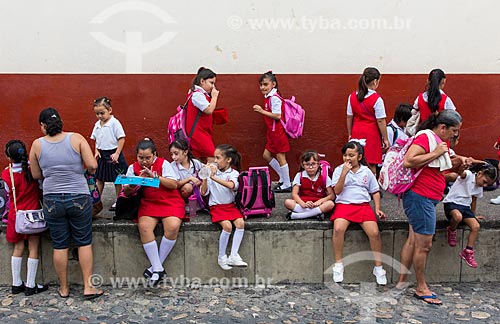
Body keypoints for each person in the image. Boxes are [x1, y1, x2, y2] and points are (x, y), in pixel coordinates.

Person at [29, 108, 102, 299]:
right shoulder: (76, 138)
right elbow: (93, 166)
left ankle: (63, 288)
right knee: (84, 242)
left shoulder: (37, 145)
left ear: (42, 126)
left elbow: (36, 175)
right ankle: (88, 286)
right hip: (78, 196)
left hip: (52, 198)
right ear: (60, 122)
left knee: (59, 244)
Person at [396, 110, 465, 305]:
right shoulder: (426, 137)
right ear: (442, 127)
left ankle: (402, 283)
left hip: (426, 197)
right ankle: (421, 287)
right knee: (424, 245)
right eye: (454, 130)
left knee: (413, 240)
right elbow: (409, 161)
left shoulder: (439, 141)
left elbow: (442, 169)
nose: (455, 134)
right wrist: (436, 153)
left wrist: (460, 164)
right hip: (420, 198)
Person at [123, 138, 186, 286]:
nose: (144, 161)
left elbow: (173, 184)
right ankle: (158, 268)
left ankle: (155, 268)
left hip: (169, 200)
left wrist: (155, 177)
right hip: (149, 202)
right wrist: (133, 183)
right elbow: (126, 192)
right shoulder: (133, 168)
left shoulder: (163, 164)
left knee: (172, 226)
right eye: (141, 158)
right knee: (144, 227)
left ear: (154, 155)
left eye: (148, 158)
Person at [330, 141, 387, 285]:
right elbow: (337, 191)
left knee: (374, 232)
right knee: (338, 228)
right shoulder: (339, 170)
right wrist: (344, 173)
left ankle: (378, 267)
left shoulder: (366, 171)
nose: (347, 158)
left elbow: (375, 191)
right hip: (344, 204)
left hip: (362, 205)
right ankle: (338, 264)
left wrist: (377, 208)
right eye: (345, 155)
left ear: (359, 156)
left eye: (351, 155)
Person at [2, 140, 48, 296]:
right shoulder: (32, 170)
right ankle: (30, 285)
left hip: (16, 216)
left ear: (9, 157)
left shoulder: (6, 174)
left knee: (18, 248)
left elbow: (8, 191)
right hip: (33, 215)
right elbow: (41, 186)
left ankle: (16, 284)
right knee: (33, 249)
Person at [200, 144, 248, 270]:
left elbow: (232, 186)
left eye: (218, 158)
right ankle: (221, 257)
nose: (215, 161)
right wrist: (206, 177)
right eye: (214, 158)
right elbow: (203, 192)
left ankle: (233, 255)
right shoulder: (212, 172)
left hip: (230, 206)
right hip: (216, 206)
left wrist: (213, 177)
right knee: (227, 226)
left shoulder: (234, 173)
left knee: (240, 223)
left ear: (228, 160)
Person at [443, 163, 497, 268]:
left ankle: (468, 251)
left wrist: (473, 215)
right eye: (485, 182)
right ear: (480, 173)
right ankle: (452, 229)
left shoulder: (479, 186)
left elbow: (473, 201)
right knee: (457, 217)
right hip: (452, 204)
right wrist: (461, 169)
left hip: (465, 208)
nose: (484, 185)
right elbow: (461, 174)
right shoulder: (468, 175)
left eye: (488, 185)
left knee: (476, 226)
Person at [253, 71, 292, 192]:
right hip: (272, 132)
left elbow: (277, 116)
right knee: (266, 155)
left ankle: (287, 184)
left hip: (277, 131)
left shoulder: (274, 98)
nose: (263, 87)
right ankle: (283, 178)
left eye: (265, 84)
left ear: (273, 84)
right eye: (261, 85)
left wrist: (261, 111)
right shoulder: (269, 97)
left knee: (281, 157)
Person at [346, 67, 390, 175]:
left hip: (356, 132)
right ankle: (371, 190)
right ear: (375, 81)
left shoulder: (352, 97)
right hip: (371, 135)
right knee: (371, 164)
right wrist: (385, 139)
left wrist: (350, 133)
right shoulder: (377, 99)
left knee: (355, 163)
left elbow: (349, 116)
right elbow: (381, 121)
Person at [90, 96, 128, 211]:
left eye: (102, 113)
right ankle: (96, 200)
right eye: (97, 114)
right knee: (100, 179)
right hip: (102, 155)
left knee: (117, 179)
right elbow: (96, 139)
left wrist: (117, 153)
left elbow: (121, 138)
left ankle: (118, 199)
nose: (100, 116)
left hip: (113, 155)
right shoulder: (97, 124)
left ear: (110, 110)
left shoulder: (114, 123)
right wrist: (96, 151)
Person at [284, 150, 335, 220]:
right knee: (288, 202)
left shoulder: (324, 176)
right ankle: (315, 214)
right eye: (307, 164)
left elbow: (332, 195)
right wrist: (303, 204)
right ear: (302, 165)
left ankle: (296, 216)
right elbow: (294, 194)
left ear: (318, 164)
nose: (311, 167)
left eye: (313, 164)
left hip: (318, 203)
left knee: (330, 204)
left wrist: (320, 201)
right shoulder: (299, 175)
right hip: (304, 202)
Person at [186, 67, 219, 162]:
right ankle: (209, 177)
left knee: (200, 158)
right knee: (211, 156)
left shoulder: (199, 93)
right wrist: (215, 97)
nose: (213, 86)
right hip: (197, 132)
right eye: (211, 83)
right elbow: (208, 110)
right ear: (202, 81)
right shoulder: (197, 95)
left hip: (202, 131)